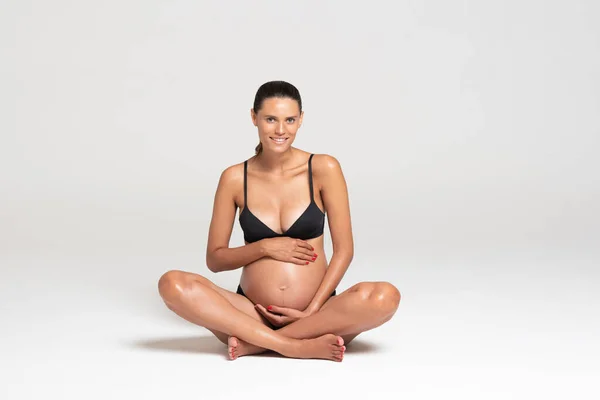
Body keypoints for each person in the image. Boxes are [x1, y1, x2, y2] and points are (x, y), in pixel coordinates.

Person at [158, 81, 401, 362]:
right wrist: (265, 248)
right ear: (254, 118)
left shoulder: (323, 168)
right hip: (250, 314)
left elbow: (344, 250)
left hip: (318, 315)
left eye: (290, 120)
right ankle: (294, 346)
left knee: (385, 296)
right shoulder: (235, 178)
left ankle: (262, 344)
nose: (281, 130)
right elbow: (215, 260)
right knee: (172, 284)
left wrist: (313, 309)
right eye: (270, 119)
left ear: (301, 120)